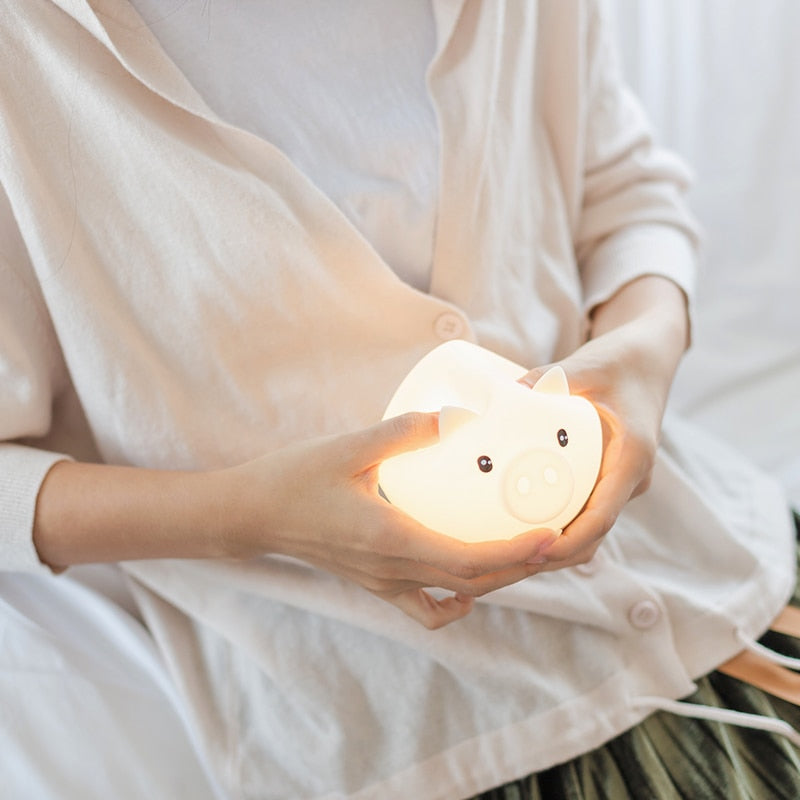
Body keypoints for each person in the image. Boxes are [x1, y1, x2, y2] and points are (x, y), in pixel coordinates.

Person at [0, 1, 797, 798]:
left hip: (721, 566)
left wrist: (643, 362)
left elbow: (622, 188)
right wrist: (250, 515)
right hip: (415, 724)